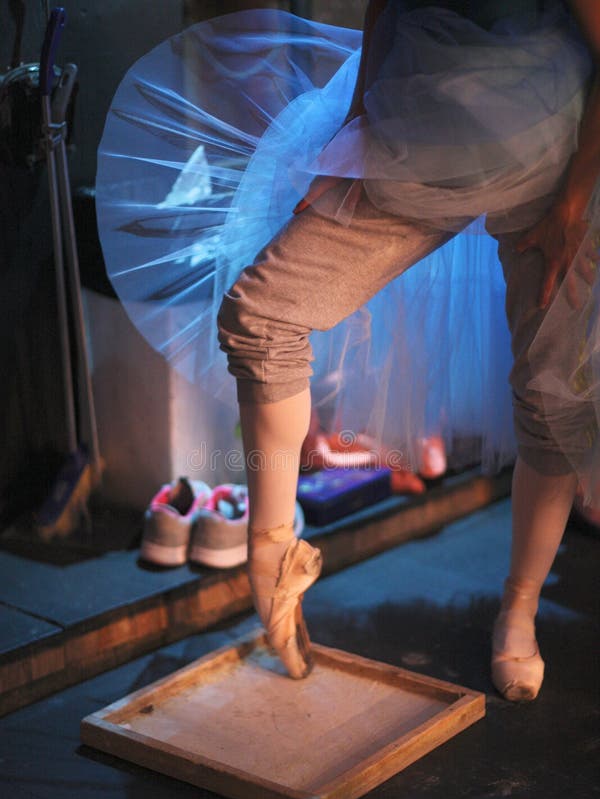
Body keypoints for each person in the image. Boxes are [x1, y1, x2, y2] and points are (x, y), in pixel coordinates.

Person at [214, 0, 600, 699]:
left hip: (559, 144)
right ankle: (272, 557)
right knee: (262, 313)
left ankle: (518, 610)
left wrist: (574, 202)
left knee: (552, 395)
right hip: (421, 129)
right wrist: (356, 131)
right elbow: (384, 6)